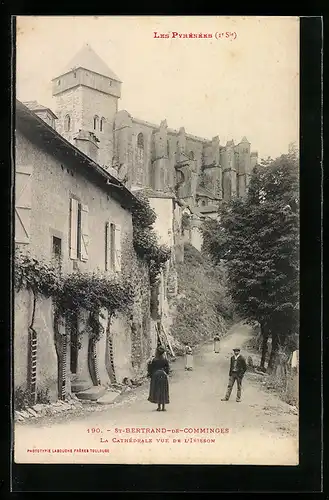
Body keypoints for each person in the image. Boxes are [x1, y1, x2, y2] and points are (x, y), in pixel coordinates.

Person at [147, 345, 170, 411]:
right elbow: (167, 369)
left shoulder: (154, 360)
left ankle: (159, 407)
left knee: (158, 390)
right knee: (163, 390)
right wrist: (166, 373)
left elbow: (151, 369)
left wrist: (151, 375)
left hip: (156, 376)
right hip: (163, 375)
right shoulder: (165, 360)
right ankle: (163, 407)